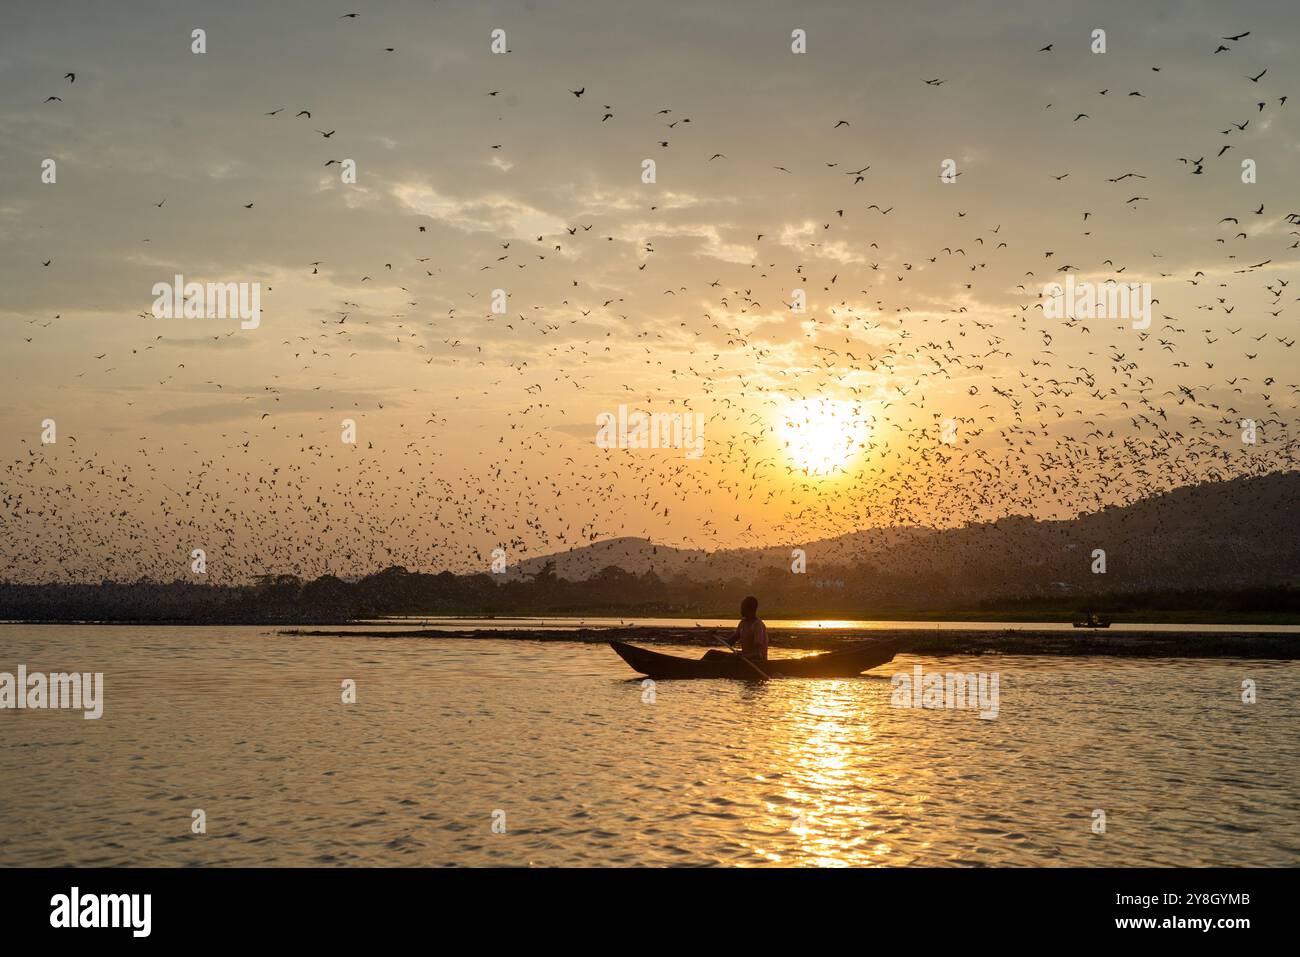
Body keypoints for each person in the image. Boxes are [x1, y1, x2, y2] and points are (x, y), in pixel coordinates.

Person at [731, 595, 768, 661]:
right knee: (712, 654)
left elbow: (758, 654)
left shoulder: (757, 625)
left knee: (729, 658)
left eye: (742, 607)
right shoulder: (743, 622)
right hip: (745, 658)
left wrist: (743, 656)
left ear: (748, 609)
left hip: (757, 661)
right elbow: (730, 641)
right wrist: (714, 635)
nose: (741, 609)